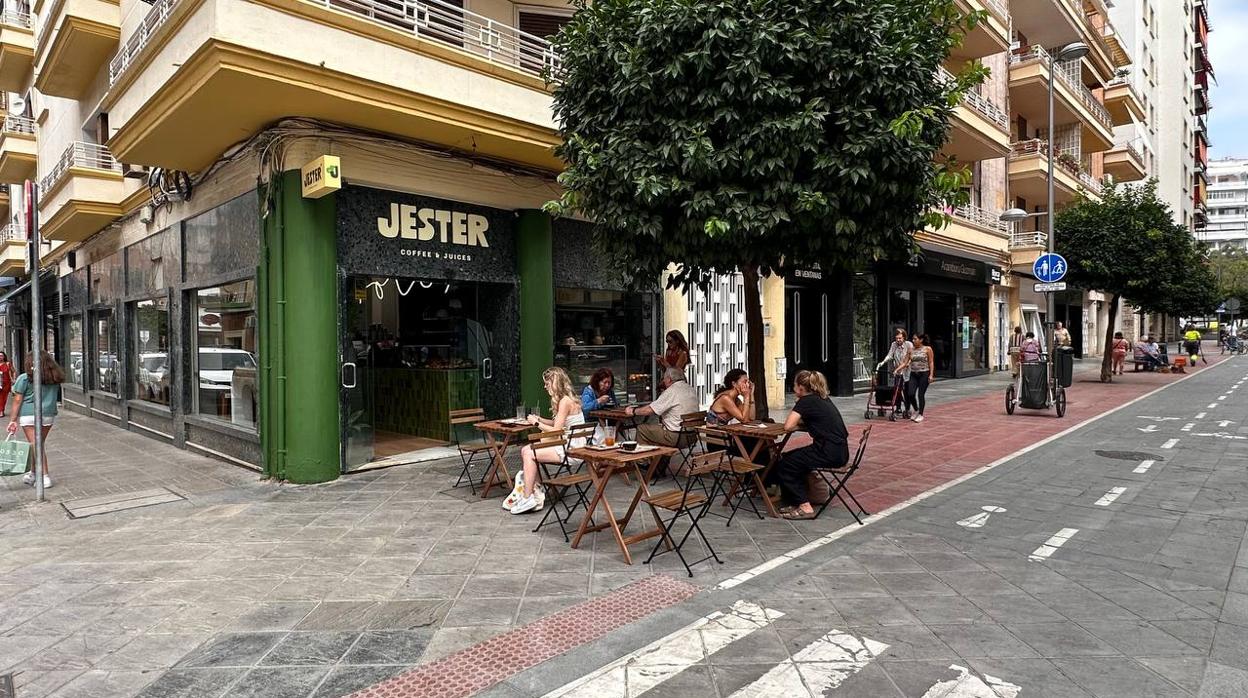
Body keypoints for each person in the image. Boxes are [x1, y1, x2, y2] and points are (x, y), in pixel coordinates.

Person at [767, 370, 849, 521]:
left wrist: (798, 424)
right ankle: (795, 500)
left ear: (800, 388)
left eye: (794, 385)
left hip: (827, 451)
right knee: (788, 457)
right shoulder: (822, 398)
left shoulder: (806, 401)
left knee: (785, 465)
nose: (793, 387)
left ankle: (805, 506)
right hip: (840, 451)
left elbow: (788, 426)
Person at [507, 367, 585, 515]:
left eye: (547, 383)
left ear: (555, 383)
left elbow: (556, 431)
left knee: (529, 453)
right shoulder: (568, 399)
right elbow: (558, 425)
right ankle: (535, 490)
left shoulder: (565, 402)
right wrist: (539, 419)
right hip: (572, 445)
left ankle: (528, 496)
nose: (545, 386)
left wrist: (536, 424)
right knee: (526, 450)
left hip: (571, 450)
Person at [627, 367, 700, 475]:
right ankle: (658, 468)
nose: (663, 381)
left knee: (642, 429)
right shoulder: (690, 389)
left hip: (676, 437)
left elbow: (650, 410)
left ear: (669, 379)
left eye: (664, 379)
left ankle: (642, 463)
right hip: (691, 436)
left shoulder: (672, 391)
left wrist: (633, 411)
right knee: (657, 431)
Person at [9, 351, 64, 489]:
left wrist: (13, 419)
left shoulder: (25, 378)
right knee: (37, 444)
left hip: (29, 415)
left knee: (36, 445)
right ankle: (33, 473)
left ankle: (44, 476)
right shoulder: (54, 377)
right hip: (48, 414)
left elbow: (17, 400)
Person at [706, 369, 759, 457]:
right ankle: (757, 469)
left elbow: (751, 418)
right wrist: (746, 397)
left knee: (755, 442)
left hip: (726, 438)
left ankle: (761, 468)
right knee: (752, 443)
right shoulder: (725, 398)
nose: (747, 385)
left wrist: (751, 395)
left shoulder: (736, 400)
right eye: (744, 382)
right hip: (717, 442)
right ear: (734, 384)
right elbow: (744, 420)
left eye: (748, 382)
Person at [896, 334, 935, 423]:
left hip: (924, 374)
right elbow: (905, 362)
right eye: (913, 339)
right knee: (910, 393)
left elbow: (931, 362)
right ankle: (916, 409)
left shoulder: (927, 349)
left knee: (920, 394)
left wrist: (931, 375)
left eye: (915, 339)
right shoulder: (910, 350)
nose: (913, 341)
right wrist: (897, 369)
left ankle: (921, 414)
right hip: (913, 374)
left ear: (921, 340)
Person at [876, 328, 913, 416]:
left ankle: (907, 408)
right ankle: (898, 408)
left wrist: (908, 363)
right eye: (897, 338)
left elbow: (912, 357)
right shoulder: (894, 345)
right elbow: (890, 355)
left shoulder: (909, 345)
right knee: (897, 390)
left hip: (907, 372)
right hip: (898, 372)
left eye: (900, 338)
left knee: (907, 391)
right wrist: (883, 362)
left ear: (904, 337)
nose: (898, 340)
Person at [0, 351, 14, 416]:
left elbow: (13, 371)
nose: (0, 357)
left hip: (6, 383)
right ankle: (1, 411)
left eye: (1, 356)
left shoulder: (8, 364)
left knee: (4, 398)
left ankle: (2, 411)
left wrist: (13, 379)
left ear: (4, 356)